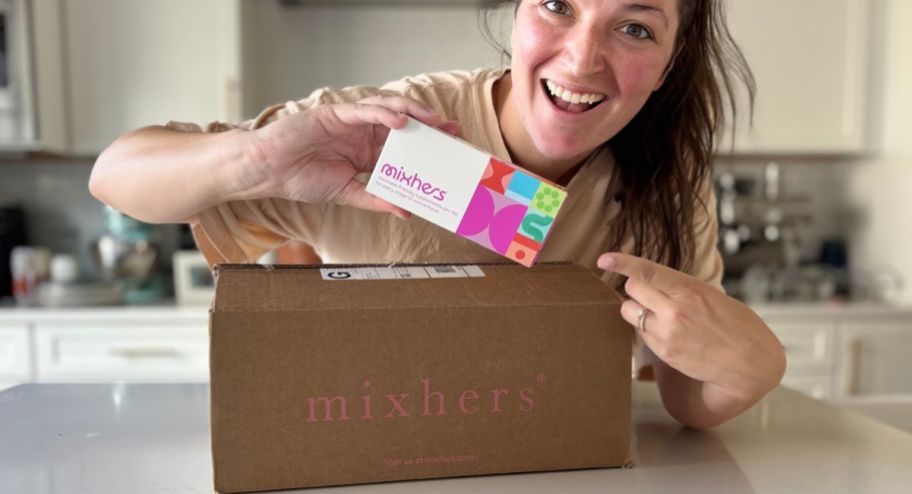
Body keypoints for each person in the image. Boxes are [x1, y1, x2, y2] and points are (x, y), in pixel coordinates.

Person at [89, 0, 785, 429]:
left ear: (670, 62)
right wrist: (257, 160)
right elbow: (115, 175)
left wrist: (751, 372)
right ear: (515, 13)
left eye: (635, 28)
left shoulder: (666, 174)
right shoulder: (380, 131)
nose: (582, 59)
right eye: (556, 4)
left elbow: (684, 397)